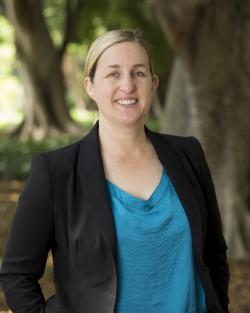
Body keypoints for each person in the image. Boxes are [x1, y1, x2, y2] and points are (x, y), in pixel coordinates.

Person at [0, 29, 229, 313]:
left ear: (153, 84)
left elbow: (214, 253)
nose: (128, 85)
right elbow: (16, 275)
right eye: (113, 74)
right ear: (90, 86)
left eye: (138, 73)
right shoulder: (55, 172)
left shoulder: (188, 155)